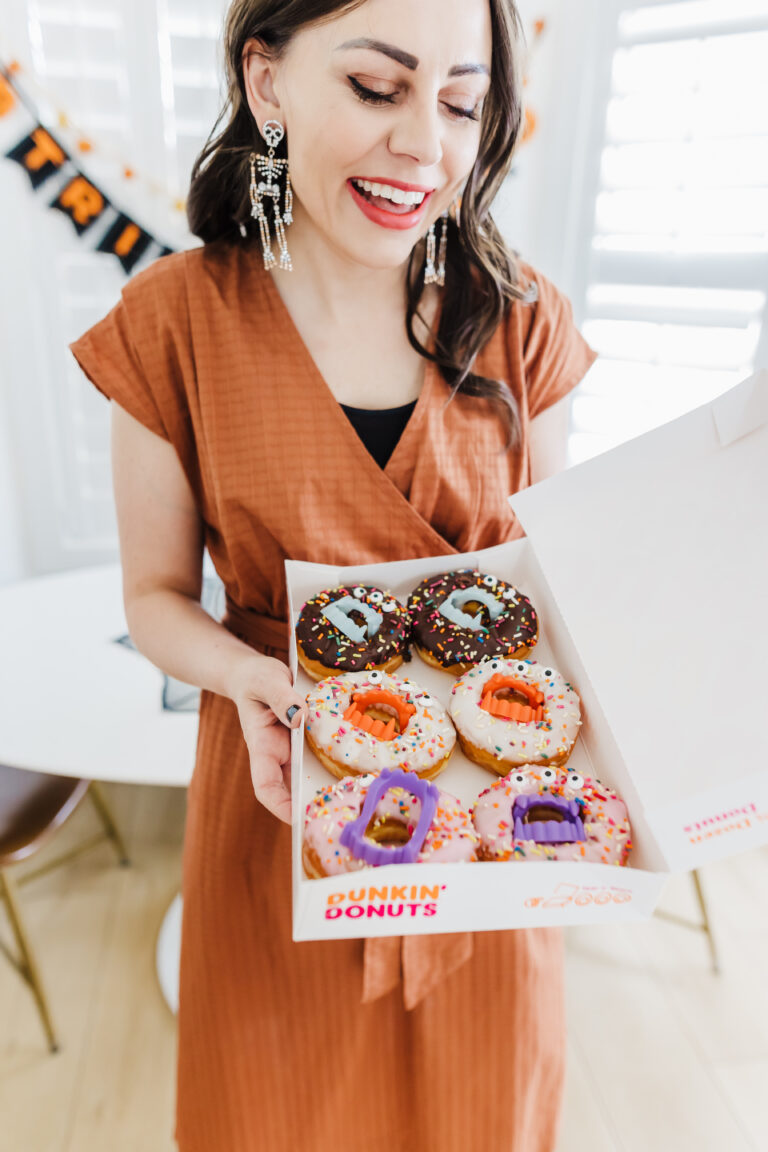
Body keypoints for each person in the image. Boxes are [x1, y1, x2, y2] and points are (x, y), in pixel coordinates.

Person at [71, 0, 596, 1147]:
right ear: (267, 83)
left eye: (461, 102)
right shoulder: (171, 323)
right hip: (277, 800)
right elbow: (155, 601)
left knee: (484, 1110)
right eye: (377, 88)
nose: (426, 145)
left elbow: (565, 586)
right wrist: (252, 680)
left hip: (495, 824)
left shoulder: (522, 323)